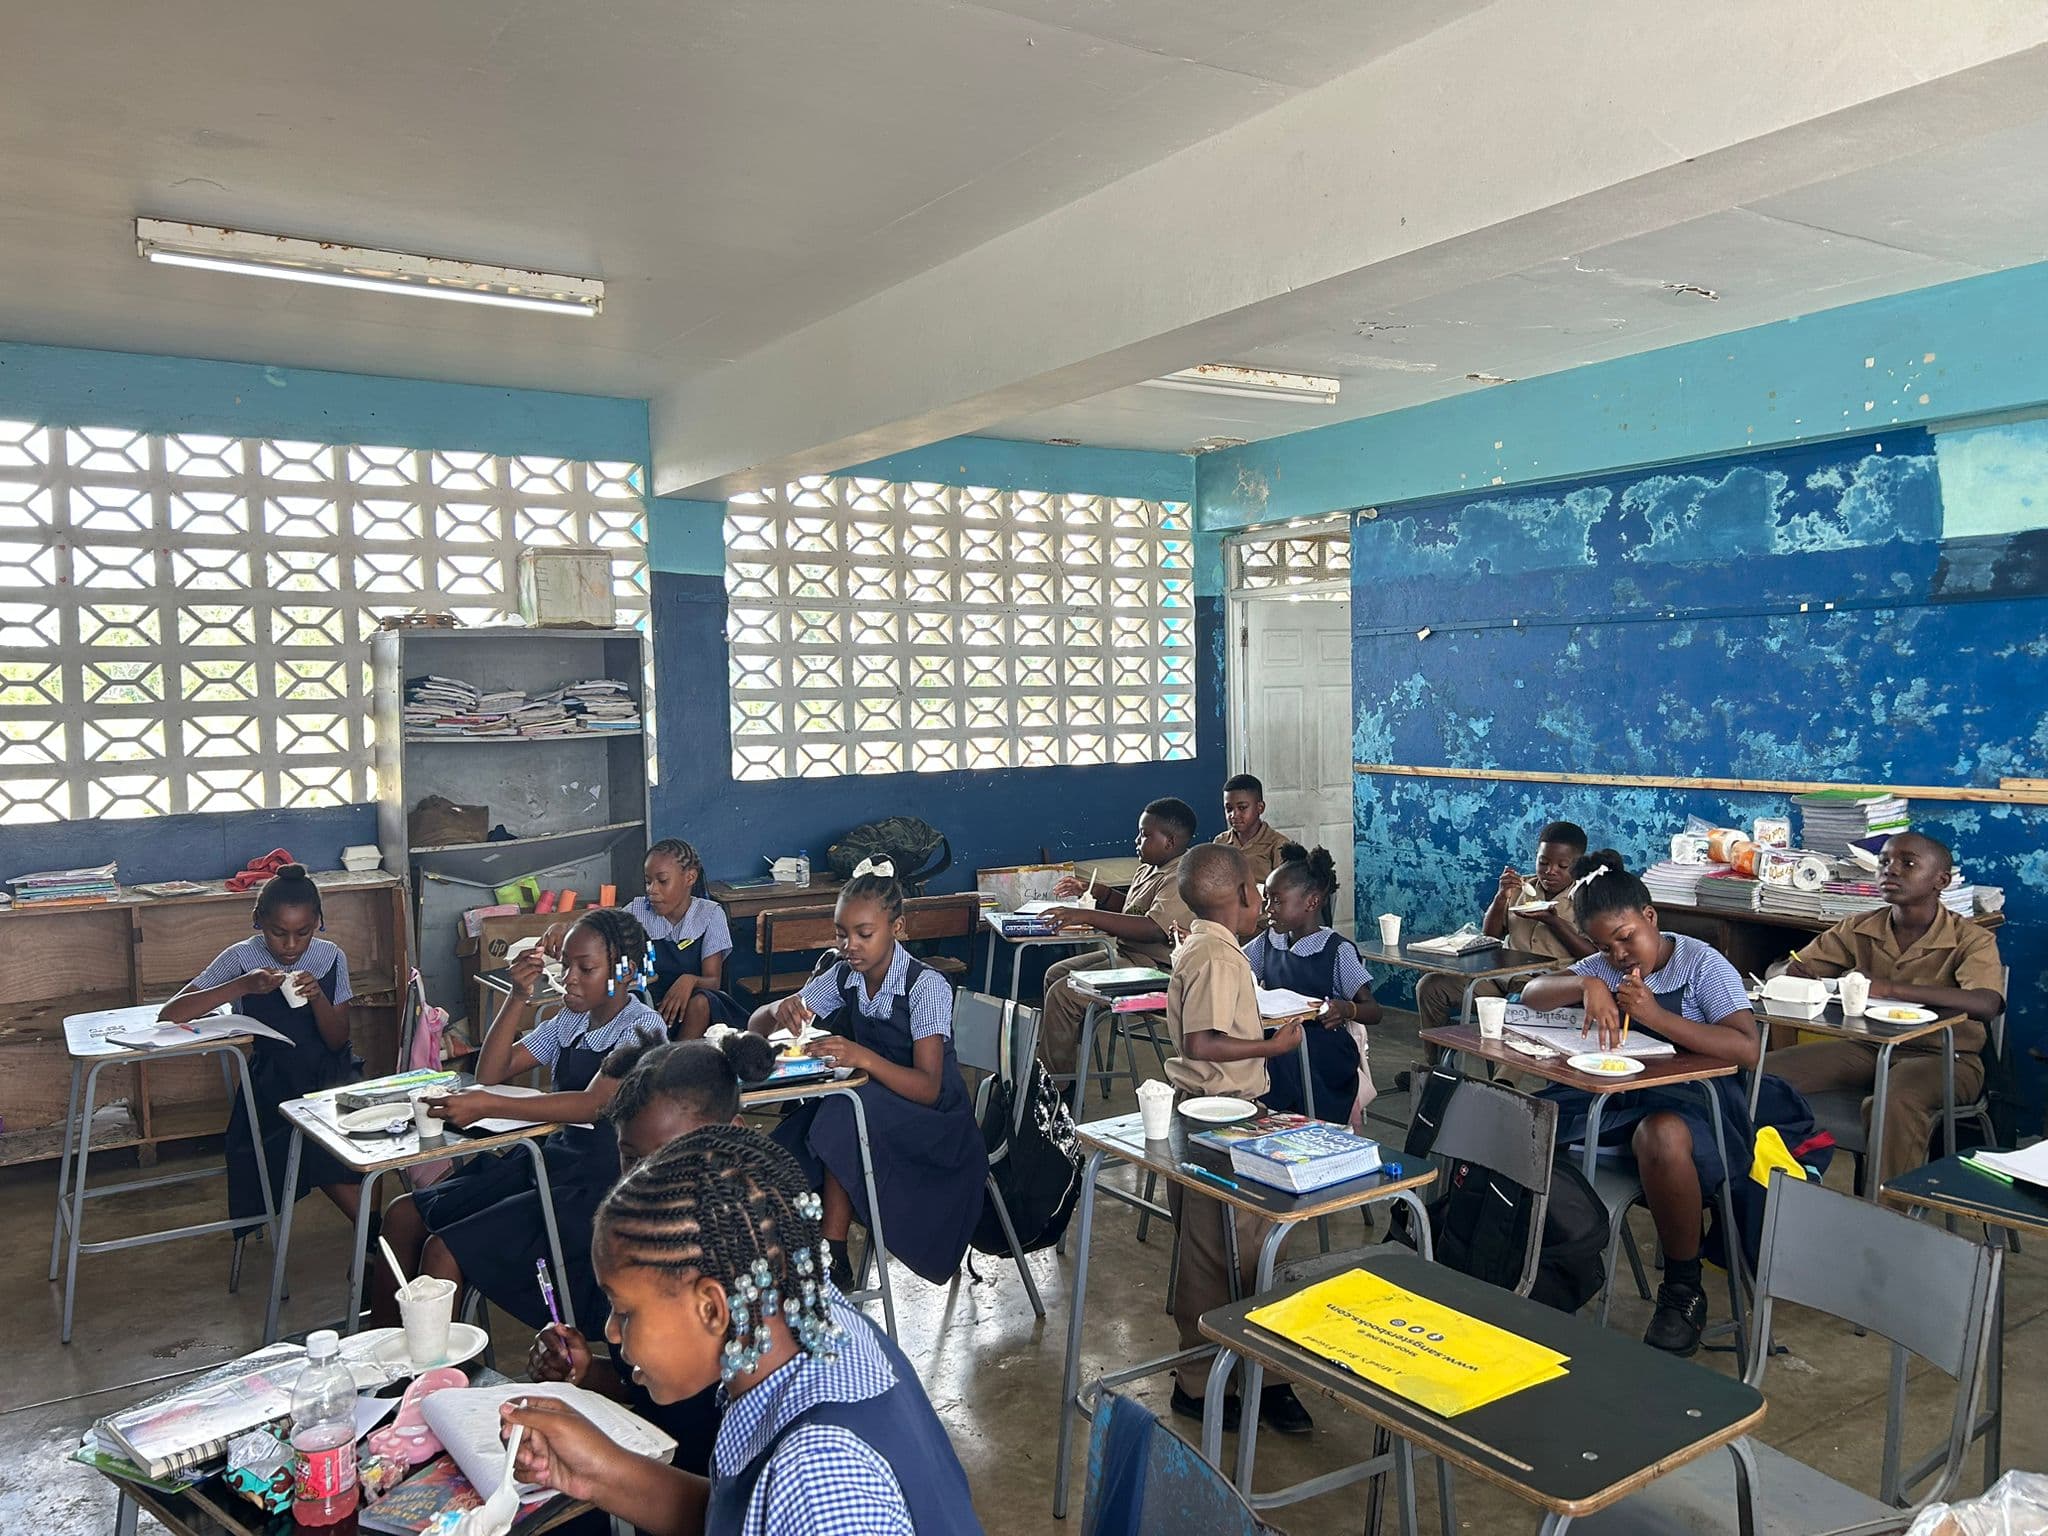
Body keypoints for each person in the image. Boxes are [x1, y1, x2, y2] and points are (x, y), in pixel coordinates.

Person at [504, 1129, 984, 1535]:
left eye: (624, 1312)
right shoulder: (817, 1323)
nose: (609, 1332)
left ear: (712, 1308)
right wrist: (593, 1472)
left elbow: (791, 1505)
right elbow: (750, 1516)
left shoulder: (817, 1478)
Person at [1517, 853, 1761, 1357]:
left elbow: (1746, 1048)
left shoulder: (1700, 965)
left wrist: (1655, 1015)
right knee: (1522, 1120)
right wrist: (1586, 983)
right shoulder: (1603, 968)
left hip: (1699, 1105)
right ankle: (1539, 1267)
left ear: (1650, 917)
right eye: (1606, 946)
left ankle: (1682, 1289)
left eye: (1627, 937)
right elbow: (1532, 994)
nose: (1621, 954)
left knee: (1661, 1133)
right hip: (1617, 1100)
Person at [375, 909, 667, 1330]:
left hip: (594, 1188)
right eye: (565, 965)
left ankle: (431, 1385)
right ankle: (384, 1362)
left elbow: (593, 1105)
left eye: (585, 969)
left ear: (626, 972)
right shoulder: (571, 1020)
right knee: (403, 1217)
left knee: (443, 1249)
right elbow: (491, 1074)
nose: (568, 978)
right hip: (550, 1164)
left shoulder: (643, 1027)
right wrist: (516, 997)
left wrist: (489, 1105)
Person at [528, 1033, 776, 1479]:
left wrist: (607, 1472)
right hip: (661, 1476)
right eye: (632, 1160)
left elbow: (726, 1486)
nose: (648, 1180)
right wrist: (588, 1372)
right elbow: (654, 1389)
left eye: (672, 1158)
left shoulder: (750, 1270)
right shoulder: (647, 1246)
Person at [751, 868, 988, 1291]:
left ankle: (834, 1253)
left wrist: (861, 1056)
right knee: (798, 1136)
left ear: (897, 928)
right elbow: (757, 1028)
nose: (849, 946)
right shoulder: (846, 976)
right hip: (874, 1104)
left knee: (842, 1109)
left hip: (935, 1123)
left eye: (863, 934)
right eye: (841, 934)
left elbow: (930, 1088)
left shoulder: (925, 987)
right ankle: (791, 1244)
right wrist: (777, 1011)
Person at [1163, 844, 1314, 1435]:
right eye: (1259, 892)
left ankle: (1236, 1377)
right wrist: (1272, 1047)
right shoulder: (1219, 957)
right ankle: (1207, 1386)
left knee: (1218, 1246)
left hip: (1209, 1111)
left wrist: (1258, 1026)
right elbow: (1202, 1043)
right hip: (1220, 1117)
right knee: (1237, 1246)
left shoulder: (1204, 946)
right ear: (1245, 895)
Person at [1768, 832, 2005, 1184]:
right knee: (1760, 1075)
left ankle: (1890, 1217)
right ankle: (1765, 1192)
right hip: (1869, 1047)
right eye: (1884, 863)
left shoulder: (1971, 938)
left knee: (1897, 1099)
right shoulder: (1860, 927)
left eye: (1907, 864)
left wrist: (1893, 989)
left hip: (1946, 1058)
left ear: (1941, 880)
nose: (1890, 870)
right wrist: (1793, 973)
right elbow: (1787, 968)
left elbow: (1987, 1003)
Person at [160, 862, 364, 1227]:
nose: (289, 946)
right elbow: (171, 1013)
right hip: (274, 1085)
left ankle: (375, 1235)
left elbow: (337, 1039)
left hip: (330, 1077)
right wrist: (241, 986)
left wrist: (317, 995)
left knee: (348, 1147)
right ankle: (376, 1236)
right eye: (277, 932)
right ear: (257, 920)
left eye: (302, 933)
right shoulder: (241, 958)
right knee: (302, 1149)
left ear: (318, 921)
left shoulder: (331, 956)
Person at [1034, 797, 1199, 1076]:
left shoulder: (1180, 876)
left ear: (1170, 842)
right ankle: (1065, 1069)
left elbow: (1151, 928)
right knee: (1055, 974)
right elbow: (1131, 910)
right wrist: (1097, 892)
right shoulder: (1149, 866)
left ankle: (1055, 1085)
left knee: (1064, 993)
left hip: (1155, 970)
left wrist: (1085, 916)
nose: (1137, 840)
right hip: (1127, 957)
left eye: (1145, 835)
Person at [1244, 844, 1380, 1124]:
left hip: (1323, 1046)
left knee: (1283, 1057)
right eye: (1267, 899)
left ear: (1312, 902)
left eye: (1277, 901)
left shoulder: (1336, 949)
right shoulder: (1270, 941)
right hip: (1280, 1034)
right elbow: (1237, 966)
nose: (1268, 909)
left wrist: (1345, 1009)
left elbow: (1373, 1011)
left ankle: (1289, 1121)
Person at [1416, 821, 1594, 1031]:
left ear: (1578, 864)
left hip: (1546, 989)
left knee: (1515, 1012)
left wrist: (1554, 922)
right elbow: (1491, 935)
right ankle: (1437, 1061)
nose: (1550, 871)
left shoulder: (1588, 899)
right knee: (1432, 986)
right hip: (1499, 979)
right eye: (1543, 862)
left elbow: (1592, 955)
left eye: (1562, 866)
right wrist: (1501, 898)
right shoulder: (1521, 888)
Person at [624, 839, 750, 1039]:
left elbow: (713, 981)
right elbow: (602, 929)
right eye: (648, 881)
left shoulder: (709, 915)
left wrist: (688, 981)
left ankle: (679, 1063)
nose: (652, 890)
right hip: (652, 1005)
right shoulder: (637, 911)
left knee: (700, 1003)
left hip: (697, 1010)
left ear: (690, 877)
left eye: (662, 881)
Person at [1213, 773, 1291, 887]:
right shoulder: (1220, 842)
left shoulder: (1278, 844)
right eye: (1229, 809)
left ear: (1260, 808)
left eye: (1242, 807)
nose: (1234, 815)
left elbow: (1284, 889)